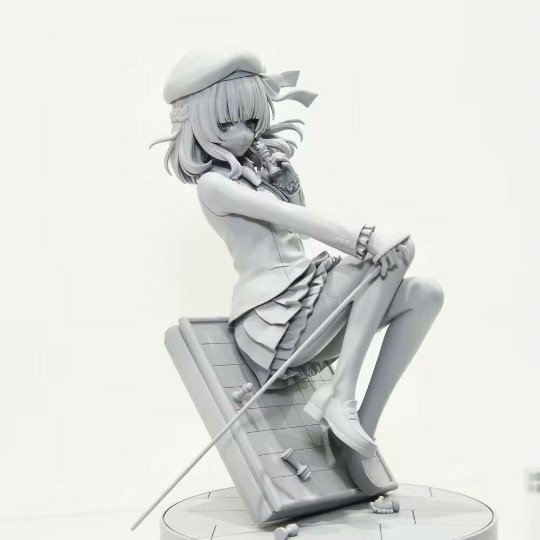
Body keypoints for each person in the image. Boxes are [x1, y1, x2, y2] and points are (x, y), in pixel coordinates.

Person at [152, 49, 444, 460]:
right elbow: (288, 217)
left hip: (307, 297)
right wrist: (362, 239)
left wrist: (285, 179)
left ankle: (360, 429)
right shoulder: (213, 185)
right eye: (225, 123)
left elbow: (294, 222)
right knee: (399, 248)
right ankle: (341, 394)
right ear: (194, 123)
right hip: (274, 317)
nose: (242, 134)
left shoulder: (255, 174)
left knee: (426, 294)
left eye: (251, 121)